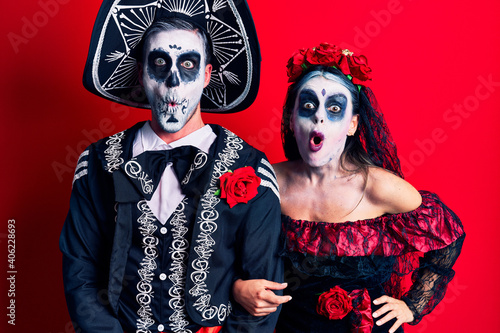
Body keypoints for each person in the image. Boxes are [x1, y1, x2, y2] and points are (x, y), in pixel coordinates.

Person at [59, 1, 284, 332]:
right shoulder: (96, 164)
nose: (173, 82)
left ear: (207, 74)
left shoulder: (251, 168)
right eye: (160, 63)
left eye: (189, 64)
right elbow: (81, 272)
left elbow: (263, 297)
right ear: (141, 73)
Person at [232, 43, 465, 332]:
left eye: (334, 108)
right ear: (291, 120)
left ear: (353, 124)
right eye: (307, 106)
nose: (319, 117)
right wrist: (238, 288)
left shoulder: (377, 186)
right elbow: (221, 247)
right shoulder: (265, 181)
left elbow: (449, 234)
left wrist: (412, 306)